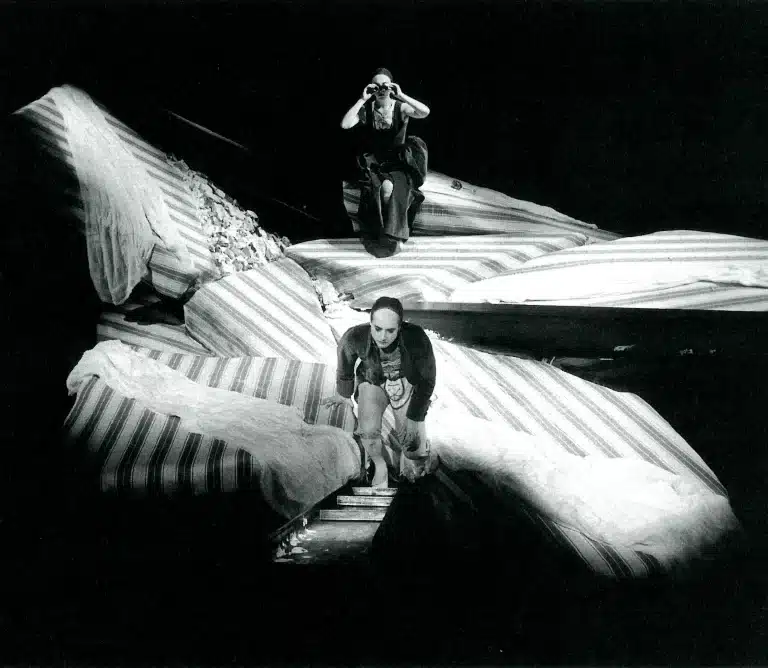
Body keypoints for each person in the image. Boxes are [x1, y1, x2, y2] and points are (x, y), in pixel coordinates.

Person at [322, 296, 437, 487]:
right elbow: (345, 364)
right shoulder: (355, 336)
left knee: (412, 447)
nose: (383, 336)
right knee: (367, 430)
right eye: (378, 329)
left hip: (405, 381)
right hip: (372, 380)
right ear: (371, 323)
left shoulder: (416, 337)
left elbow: (427, 379)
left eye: (390, 330)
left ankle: (417, 455)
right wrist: (344, 394)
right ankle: (379, 465)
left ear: (400, 327)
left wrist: (414, 417)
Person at [340, 68, 430, 258]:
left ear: (391, 88)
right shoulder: (368, 109)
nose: (381, 90)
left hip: (398, 161)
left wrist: (402, 94)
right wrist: (362, 99)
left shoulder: (400, 107)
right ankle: (383, 235)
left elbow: (425, 112)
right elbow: (345, 125)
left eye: (385, 86)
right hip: (375, 161)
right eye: (376, 86)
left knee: (391, 190)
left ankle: (394, 236)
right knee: (375, 190)